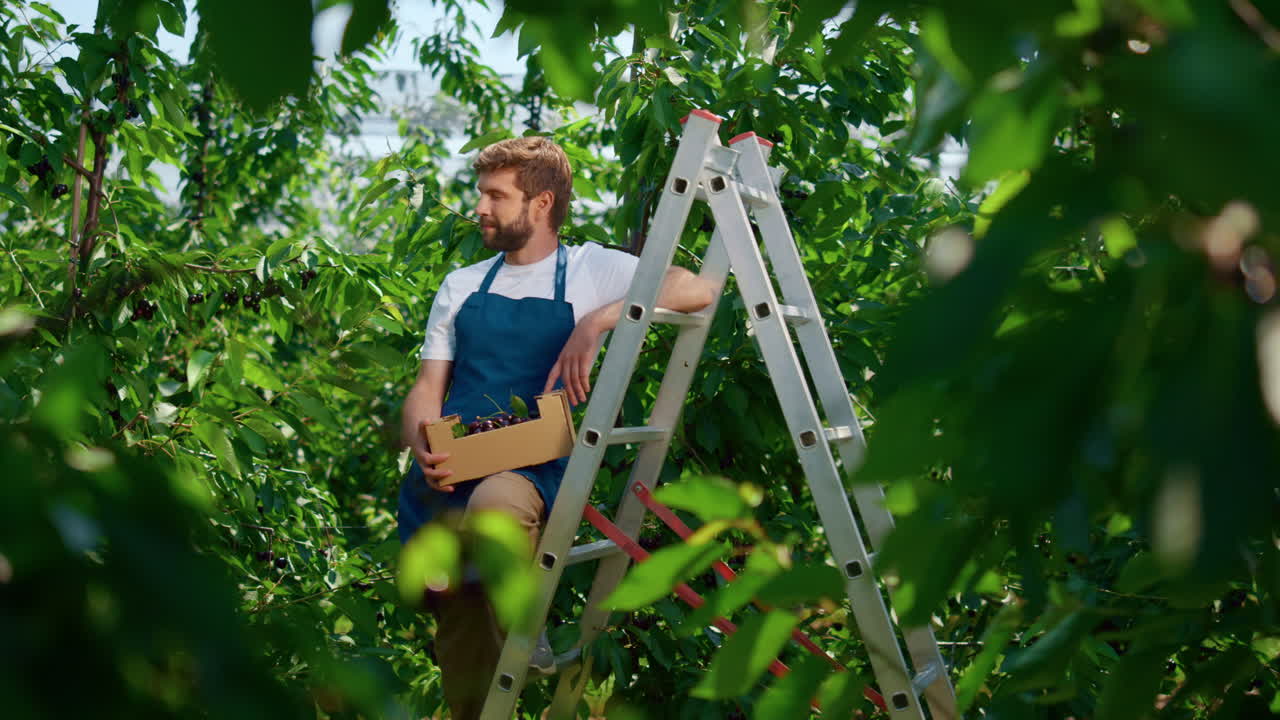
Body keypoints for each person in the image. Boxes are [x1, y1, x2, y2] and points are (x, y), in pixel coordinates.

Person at [397, 136, 715, 719]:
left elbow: (696, 287)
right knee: (460, 614)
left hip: (531, 463)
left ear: (541, 204)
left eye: (496, 195)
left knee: (494, 515)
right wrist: (422, 438)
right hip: (455, 462)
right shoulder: (463, 284)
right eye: (481, 194)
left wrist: (597, 321)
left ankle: (521, 607)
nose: (481, 208)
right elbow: (426, 389)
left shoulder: (592, 269)